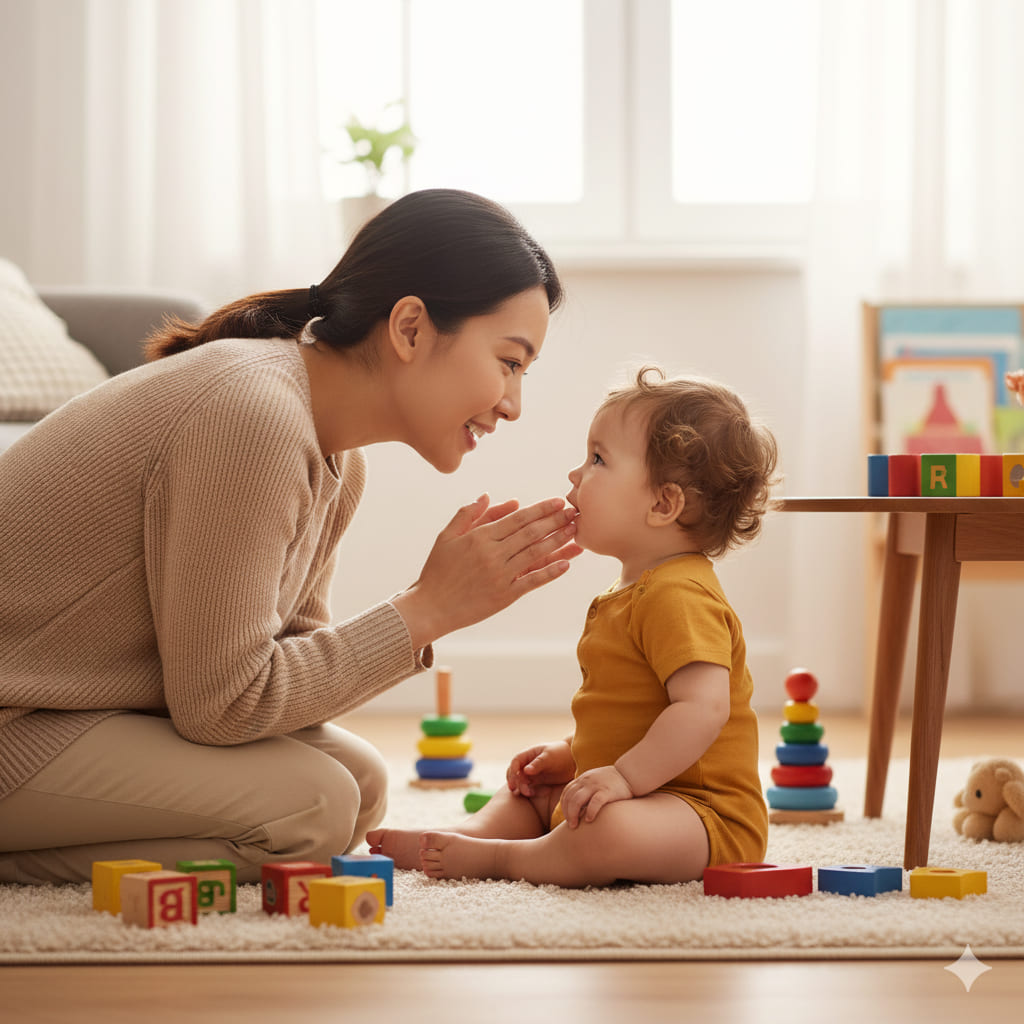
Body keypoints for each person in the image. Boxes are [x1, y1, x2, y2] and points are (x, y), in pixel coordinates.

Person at [0, 189, 581, 885]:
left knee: (359, 780)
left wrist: (434, 606)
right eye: (509, 362)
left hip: (72, 708)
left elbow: (278, 672)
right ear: (410, 328)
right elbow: (224, 703)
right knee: (315, 806)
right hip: (19, 722)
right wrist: (427, 608)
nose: (513, 404)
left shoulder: (335, 454)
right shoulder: (252, 418)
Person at [368, 368, 778, 887]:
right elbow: (624, 715)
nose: (575, 475)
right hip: (634, 794)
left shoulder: (680, 595)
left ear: (662, 504)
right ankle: (473, 833)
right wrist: (570, 754)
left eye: (599, 459)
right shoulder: (630, 593)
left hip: (702, 818)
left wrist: (625, 778)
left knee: (603, 829)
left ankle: (501, 859)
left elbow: (703, 708)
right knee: (534, 792)